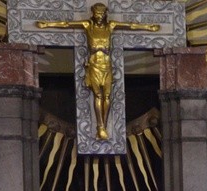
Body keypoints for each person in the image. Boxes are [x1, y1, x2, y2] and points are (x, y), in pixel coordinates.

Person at [36, 3, 160, 140]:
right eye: (97, 14)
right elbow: (66, 24)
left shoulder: (110, 26)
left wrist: (149, 27)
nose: (99, 17)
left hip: (107, 66)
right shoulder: (88, 26)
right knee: (98, 96)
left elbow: (130, 26)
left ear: (105, 14)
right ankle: (100, 127)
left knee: (107, 96)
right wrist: (47, 25)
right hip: (94, 66)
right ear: (93, 13)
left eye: (102, 14)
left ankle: (104, 126)